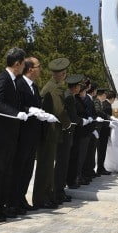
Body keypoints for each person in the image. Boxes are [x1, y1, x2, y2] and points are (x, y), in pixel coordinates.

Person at [0, 48, 29, 222]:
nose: (24, 67)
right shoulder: (3, 79)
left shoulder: (13, 80)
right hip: (1, 131)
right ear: (17, 64)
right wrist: (15, 114)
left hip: (9, 132)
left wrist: (27, 110)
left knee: (5, 171)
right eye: (24, 63)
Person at [33, 57, 70, 209]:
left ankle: (48, 195)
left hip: (51, 131)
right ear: (62, 74)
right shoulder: (54, 88)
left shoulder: (53, 86)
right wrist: (67, 123)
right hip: (49, 131)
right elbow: (59, 110)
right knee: (45, 165)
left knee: (48, 165)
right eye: (64, 73)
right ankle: (42, 198)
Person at [10, 57, 44, 213]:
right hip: (21, 134)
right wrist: (28, 109)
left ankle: (21, 197)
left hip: (32, 134)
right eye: (38, 66)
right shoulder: (18, 84)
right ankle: (14, 201)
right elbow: (16, 105)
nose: (40, 69)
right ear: (30, 69)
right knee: (18, 168)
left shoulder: (34, 87)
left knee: (28, 168)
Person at [53, 74, 83, 204]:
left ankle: (59, 190)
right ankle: (59, 191)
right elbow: (72, 116)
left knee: (62, 163)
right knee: (62, 163)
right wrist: (82, 121)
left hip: (64, 132)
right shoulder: (69, 97)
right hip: (66, 133)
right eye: (79, 86)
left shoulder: (66, 94)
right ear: (75, 87)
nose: (80, 88)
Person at [95, 89, 113, 175]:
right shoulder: (105, 105)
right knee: (101, 150)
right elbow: (100, 114)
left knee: (102, 150)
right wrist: (108, 117)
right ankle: (100, 168)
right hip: (102, 131)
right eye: (105, 94)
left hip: (102, 130)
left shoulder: (102, 103)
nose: (106, 96)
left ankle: (100, 167)